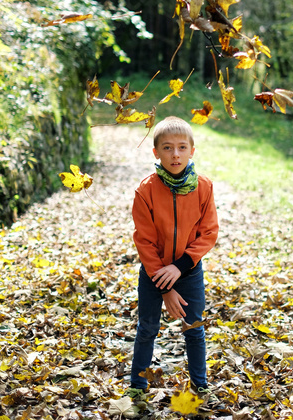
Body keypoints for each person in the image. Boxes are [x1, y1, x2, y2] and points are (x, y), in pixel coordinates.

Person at [126, 116, 219, 400]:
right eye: (167, 148)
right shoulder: (146, 190)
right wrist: (164, 286)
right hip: (154, 272)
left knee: (194, 327)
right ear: (156, 152)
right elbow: (144, 240)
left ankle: (200, 385)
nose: (175, 154)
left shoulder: (203, 187)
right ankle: (138, 386)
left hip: (189, 271)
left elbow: (209, 232)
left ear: (192, 150)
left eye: (181, 147)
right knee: (148, 328)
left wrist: (179, 269)